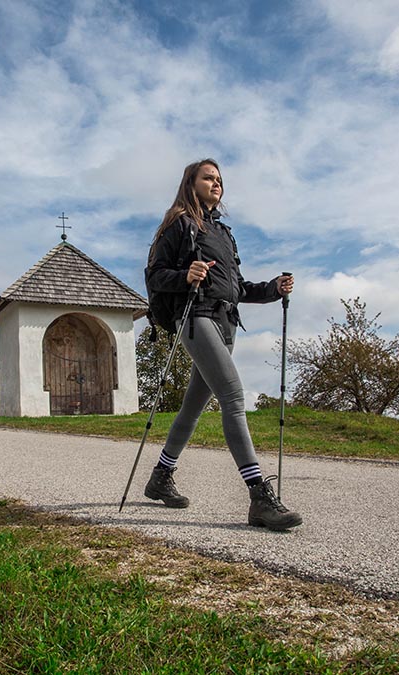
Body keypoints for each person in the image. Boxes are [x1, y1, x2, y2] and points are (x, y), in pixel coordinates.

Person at [142, 158, 302, 531]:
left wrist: (273, 289)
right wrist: (184, 275)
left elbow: (238, 289)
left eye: (219, 179)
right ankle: (259, 496)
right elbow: (154, 275)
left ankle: (160, 477)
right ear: (191, 183)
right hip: (196, 318)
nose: (216, 183)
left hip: (226, 322)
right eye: (208, 178)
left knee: (192, 409)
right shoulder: (179, 224)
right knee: (232, 395)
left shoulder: (224, 235)